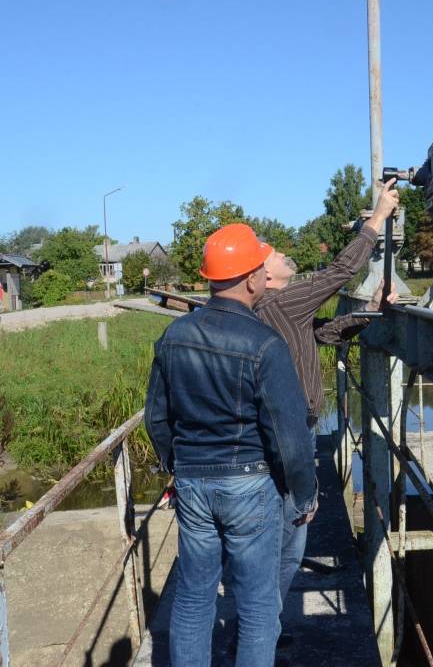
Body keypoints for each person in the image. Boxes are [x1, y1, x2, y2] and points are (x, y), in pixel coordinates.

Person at [144, 223, 317, 667]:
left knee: (193, 598)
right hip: (249, 485)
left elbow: (157, 418)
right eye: (260, 266)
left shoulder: (174, 336)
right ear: (251, 278)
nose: (264, 273)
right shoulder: (264, 343)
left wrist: (176, 465)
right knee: (258, 606)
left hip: (193, 484)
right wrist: (304, 492)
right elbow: (289, 433)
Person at [255, 178, 400, 620]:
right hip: (292, 431)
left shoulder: (279, 311)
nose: (285, 255)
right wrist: (377, 219)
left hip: (287, 427)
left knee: (282, 526)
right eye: (276, 255)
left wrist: (372, 308)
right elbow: (338, 273)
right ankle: (266, 621)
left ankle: (263, 615)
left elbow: (323, 332)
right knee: (294, 526)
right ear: (263, 276)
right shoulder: (281, 301)